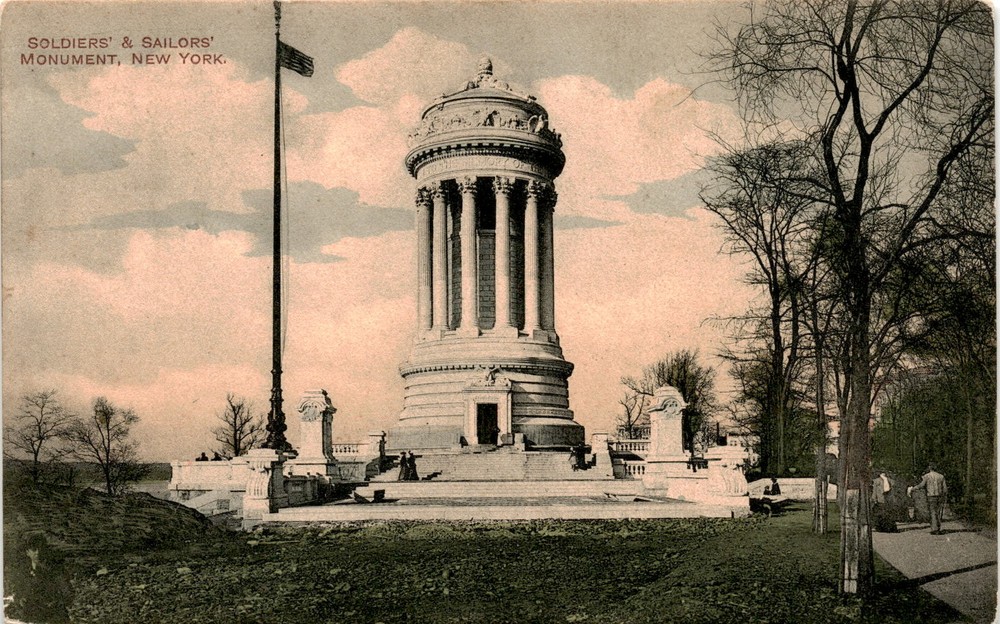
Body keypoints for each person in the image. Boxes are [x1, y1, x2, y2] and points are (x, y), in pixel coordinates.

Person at [909, 464, 947, 534]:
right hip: (939, 496)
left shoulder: (927, 476)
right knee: (938, 512)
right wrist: (944, 496)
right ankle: (938, 527)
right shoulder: (941, 476)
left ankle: (934, 529)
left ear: (930, 468)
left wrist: (913, 488)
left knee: (932, 512)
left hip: (931, 496)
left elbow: (922, 485)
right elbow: (945, 488)